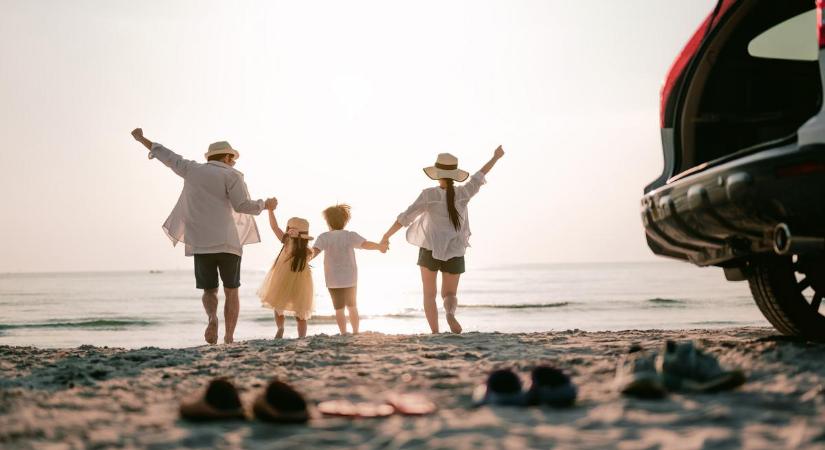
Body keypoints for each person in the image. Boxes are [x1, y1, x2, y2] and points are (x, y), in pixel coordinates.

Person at [130, 128, 276, 345]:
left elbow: (167, 156)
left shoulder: (191, 169)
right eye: (232, 158)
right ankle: (228, 337)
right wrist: (265, 204)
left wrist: (142, 139)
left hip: (201, 242)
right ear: (226, 157)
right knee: (231, 290)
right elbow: (242, 205)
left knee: (209, 289)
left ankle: (211, 318)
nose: (234, 162)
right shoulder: (232, 175)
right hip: (227, 242)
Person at [381, 146, 505, 334]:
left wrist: (386, 236)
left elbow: (405, 218)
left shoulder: (429, 195)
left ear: (437, 174)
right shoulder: (464, 193)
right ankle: (449, 313)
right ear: (454, 175)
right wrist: (495, 157)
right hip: (455, 250)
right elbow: (479, 176)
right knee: (450, 294)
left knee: (429, 295)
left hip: (430, 248)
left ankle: (435, 333)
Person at [312, 204, 388, 335]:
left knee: (339, 309)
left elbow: (314, 252)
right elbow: (366, 244)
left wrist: (302, 259)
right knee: (352, 307)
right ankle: (355, 331)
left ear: (328, 222)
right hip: (350, 279)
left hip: (333, 280)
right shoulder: (349, 235)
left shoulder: (324, 237)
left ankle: (343, 333)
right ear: (344, 221)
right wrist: (380, 246)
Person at [257, 204, 314, 338]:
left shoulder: (287, 241)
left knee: (278, 304)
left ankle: (280, 328)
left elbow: (274, 227)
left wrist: (270, 211)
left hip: (282, 278)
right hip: (302, 282)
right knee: (301, 313)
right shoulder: (307, 251)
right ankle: (302, 337)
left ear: (289, 230)